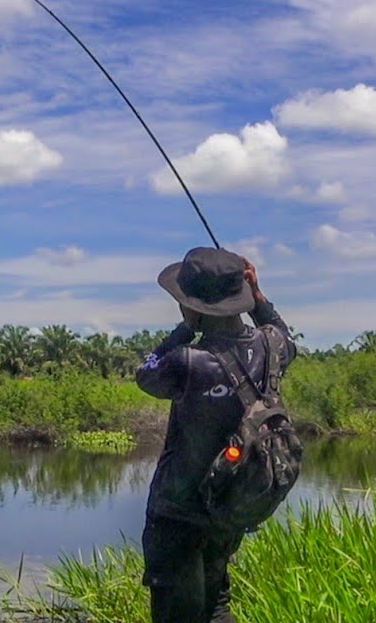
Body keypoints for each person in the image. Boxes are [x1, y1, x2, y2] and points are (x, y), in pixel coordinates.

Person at [135, 246, 297, 623]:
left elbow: (146, 373)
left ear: (192, 305)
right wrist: (259, 299)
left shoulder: (186, 362)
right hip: (229, 504)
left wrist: (186, 327)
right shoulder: (271, 346)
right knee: (215, 604)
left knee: (176, 613)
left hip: (178, 512)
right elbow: (285, 334)